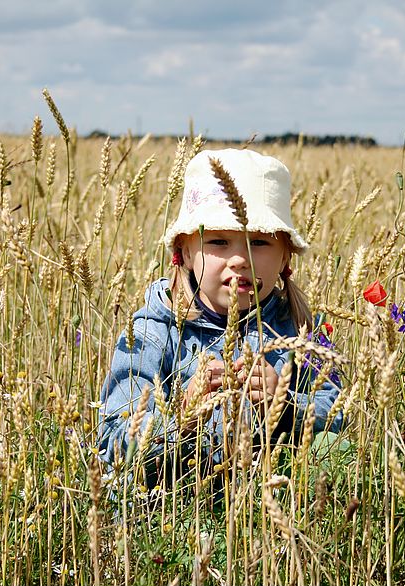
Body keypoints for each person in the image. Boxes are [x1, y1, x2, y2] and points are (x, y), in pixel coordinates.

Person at [99, 148, 343, 489]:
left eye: (258, 242)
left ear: (286, 253)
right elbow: (111, 442)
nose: (240, 259)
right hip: (165, 518)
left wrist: (285, 404)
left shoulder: (300, 328)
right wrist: (181, 414)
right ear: (184, 250)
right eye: (219, 241)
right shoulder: (152, 334)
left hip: (265, 514)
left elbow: (340, 413)